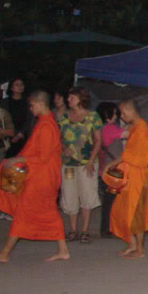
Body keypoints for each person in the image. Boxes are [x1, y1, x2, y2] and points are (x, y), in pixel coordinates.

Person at [0, 91, 70, 263]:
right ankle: (63, 250)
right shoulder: (44, 122)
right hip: (42, 175)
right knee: (49, 212)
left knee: (24, 212)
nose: (31, 109)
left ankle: (5, 253)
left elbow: (43, 157)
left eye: (32, 105)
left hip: (42, 177)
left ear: (40, 103)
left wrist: (18, 159)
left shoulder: (47, 125)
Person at [104, 99, 148, 259]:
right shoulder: (135, 127)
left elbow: (136, 155)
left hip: (138, 176)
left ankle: (140, 250)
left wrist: (111, 164)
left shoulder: (141, 128)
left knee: (136, 213)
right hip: (130, 174)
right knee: (124, 210)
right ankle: (132, 244)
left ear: (130, 110)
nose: (121, 116)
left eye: (123, 112)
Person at [58, 87, 103, 244]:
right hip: (69, 163)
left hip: (86, 162)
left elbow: (98, 140)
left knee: (87, 192)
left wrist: (91, 160)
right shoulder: (63, 117)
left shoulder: (92, 117)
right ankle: (72, 229)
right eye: (68, 96)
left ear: (81, 99)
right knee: (69, 193)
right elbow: (59, 139)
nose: (69, 99)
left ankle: (85, 230)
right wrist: (64, 149)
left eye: (72, 96)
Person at [96, 102, 129, 238]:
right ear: (107, 116)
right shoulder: (109, 129)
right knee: (111, 202)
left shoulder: (101, 128)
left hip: (105, 170)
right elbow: (127, 134)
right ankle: (107, 228)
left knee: (109, 201)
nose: (117, 116)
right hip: (112, 172)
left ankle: (107, 228)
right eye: (115, 114)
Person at [3, 77, 33, 158]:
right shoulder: (5, 102)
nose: (20, 87)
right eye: (17, 85)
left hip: (24, 136)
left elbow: (29, 119)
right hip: (9, 136)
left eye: (22, 84)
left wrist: (20, 133)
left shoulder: (28, 102)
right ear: (11, 88)